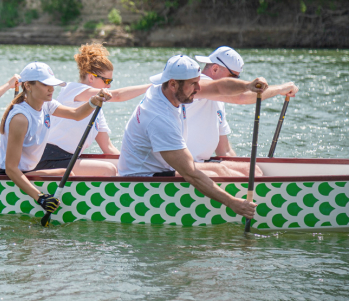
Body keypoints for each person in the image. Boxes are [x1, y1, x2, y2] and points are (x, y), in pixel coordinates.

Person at [118, 55, 268, 220]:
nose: (198, 88)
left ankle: (259, 202)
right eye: (193, 84)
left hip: (162, 166)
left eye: (198, 82)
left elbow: (218, 87)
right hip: (142, 179)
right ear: (173, 84)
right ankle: (256, 209)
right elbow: (190, 174)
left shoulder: (167, 90)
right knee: (218, 174)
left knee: (249, 169)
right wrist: (232, 203)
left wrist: (248, 86)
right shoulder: (159, 118)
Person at [0, 61, 111, 214]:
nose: (51, 89)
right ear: (28, 86)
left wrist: (93, 100)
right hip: (6, 175)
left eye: (52, 84)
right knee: (66, 175)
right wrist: (40, 198)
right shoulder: (21, 119)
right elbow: (11, 169)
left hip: (27, 170)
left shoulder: (46, 104)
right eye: (46, 84)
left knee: (67, 174)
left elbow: (76, 114)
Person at [36, 43, 150, 175]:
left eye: (111, 81)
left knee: (119, 165)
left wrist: (137, 165)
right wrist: (152, 86)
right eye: (107, 81)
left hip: (69, 159)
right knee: (108, 170)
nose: (109, 85)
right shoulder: (71, 89)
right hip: (49, 157)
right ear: (91, 77)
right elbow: (117, 96)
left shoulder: (96, 109)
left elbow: (108, 148)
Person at [187, 46, 299, 176]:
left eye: (237, 77)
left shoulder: (218, 101)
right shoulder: (196, 85)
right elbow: (242, 97)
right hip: (182, 164)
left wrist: (242, 167)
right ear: (215, 69)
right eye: (232, 77)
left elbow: (225, 150)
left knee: (253, 170)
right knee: (228, 173)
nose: (235, 82)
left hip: (201, 163)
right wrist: (280, 89)